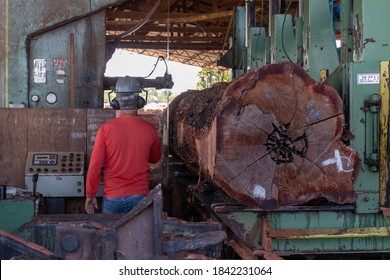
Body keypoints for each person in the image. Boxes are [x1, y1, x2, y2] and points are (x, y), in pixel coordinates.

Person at [85, 78, 162, 214]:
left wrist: (90, 195)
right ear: (140, 101)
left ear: (115, 102)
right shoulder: (149, 130)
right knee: (138, 235)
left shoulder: (105, 129)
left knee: (110, 234)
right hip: (139, 197)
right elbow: (155, 159)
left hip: (112, 198)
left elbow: (95, 166)